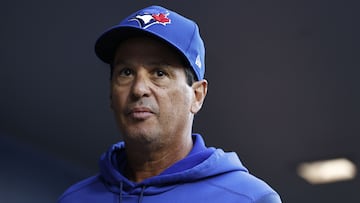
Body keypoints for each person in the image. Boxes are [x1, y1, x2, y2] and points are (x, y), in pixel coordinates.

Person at [58, 5, 282, 203]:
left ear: (197, 96)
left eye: (159, 73)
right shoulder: (74, 199)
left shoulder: (250, 198)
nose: (138, 89)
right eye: (126, 72)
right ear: (110, 94)